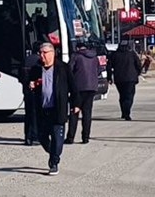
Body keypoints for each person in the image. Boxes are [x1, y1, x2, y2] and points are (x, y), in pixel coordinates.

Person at [26, 42, 74, 175]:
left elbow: (73, 87)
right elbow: (27, 83)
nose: (41, 56)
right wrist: (31, 84)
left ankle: (54, 162)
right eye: (40, 53)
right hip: (42, 109)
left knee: (57, 137)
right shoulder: (36, 69)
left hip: (57, 108)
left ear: (52, 53)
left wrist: (76, 104)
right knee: (41, 136)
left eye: (44, 53)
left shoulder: (63, 68)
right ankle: (52, 152)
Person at [66, 41, 99, 145]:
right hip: (91, 87)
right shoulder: (94, 57)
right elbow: (98, 70)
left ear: (78, 48)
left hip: (78, 88)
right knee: (87, 113)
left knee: (74, 112)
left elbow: (69, 70)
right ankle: (85, 137)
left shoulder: (76, 56)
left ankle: (70, 137)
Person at [108, 41, 143, 121]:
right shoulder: (131, 54)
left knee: (122, 96)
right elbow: (138, 64)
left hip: (119, 79)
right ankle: (127, 113)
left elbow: (109, 67)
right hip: (131, 78)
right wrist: (138, 73)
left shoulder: (114, 55)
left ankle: (124, 112)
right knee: (129, 96)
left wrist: (109, 77)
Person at [21, 42, 42, 145]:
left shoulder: (26, 60)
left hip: (26, 90)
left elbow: (20, 76)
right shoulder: (39, 61)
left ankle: (27, 137)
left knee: (28, 114)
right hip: (37, 91)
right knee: (37, 114)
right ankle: (35, 136)